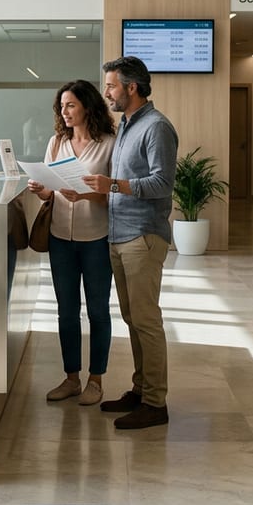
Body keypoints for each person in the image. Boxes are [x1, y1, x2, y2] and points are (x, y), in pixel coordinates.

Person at [81, 56, 178, 430]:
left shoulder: (157, 127)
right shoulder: (126, 125)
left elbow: (162, 183)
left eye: (111, 86)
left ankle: (155, 403)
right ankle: (141, 390)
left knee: (147, 321)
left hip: (143, 236)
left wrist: (115, 186)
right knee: (133, 318)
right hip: (119, 234)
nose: (106, 92)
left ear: (132, 87)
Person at [26, 79, 116, 407]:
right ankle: (71, 378)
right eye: (61, 106)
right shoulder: (57, 142)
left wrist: (86, 195)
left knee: (98, 310)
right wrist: (42, 190)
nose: (64, 112)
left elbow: (115, 194)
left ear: (87, 107)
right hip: (60, 237)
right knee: (66, 311)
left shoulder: (109, 145)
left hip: (96, 238)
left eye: (71, 105)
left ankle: (96, 380)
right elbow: (51, 191)